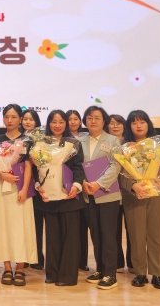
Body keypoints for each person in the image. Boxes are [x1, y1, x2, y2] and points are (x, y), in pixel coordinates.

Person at [120, 110, 160, 290]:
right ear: (129, 126)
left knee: (156, 234)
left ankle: (157, 273)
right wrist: (132, 185)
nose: (138, 126)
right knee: (136, 235)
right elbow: (118, 173)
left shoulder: (158, 145)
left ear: (148, 124)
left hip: (156, 194)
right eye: (134, 122)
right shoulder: (124, 147)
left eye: (142, 122)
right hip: (134, 196)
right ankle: (140, 273)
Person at [32, 110, 85, 286]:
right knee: (52, 237)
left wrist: (76, 186)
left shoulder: (74, 144)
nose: (57, 125)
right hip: (48, 197)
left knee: (70, 238)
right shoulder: (39, 145)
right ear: (49, 124)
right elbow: (36, 171)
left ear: (66, 124)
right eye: (54, 122)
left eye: (61, 122)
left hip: (69, 196)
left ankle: (67, 277)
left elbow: (79, 167)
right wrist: (38, 186)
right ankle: (52, 273)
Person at [0, 104, 37, 287]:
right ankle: (7, 267)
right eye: (6, 117)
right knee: (3, 225)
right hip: (1, 186)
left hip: (20, 188)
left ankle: (21, 268)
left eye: (14, 117)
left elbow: (29, 166)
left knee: (21, 226)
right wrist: (2, 175)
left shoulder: (27, 140)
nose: (9, 120)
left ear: (20, 119)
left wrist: (24, 189)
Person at [80, 106, 121, 290]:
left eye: (97, 118)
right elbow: (77, 165)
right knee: (95, 233)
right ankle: (100, 268)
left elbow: (116, 165)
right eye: (90, 117)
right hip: (87, 194)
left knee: (108, 234)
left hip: (107, 194)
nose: (93, 121)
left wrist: (99, 183)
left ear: (104, 121)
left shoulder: (112, 140)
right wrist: (83, 183)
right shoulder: (80, 140)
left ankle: (110, 274)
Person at [108, 113, 133, 274]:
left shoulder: (132, 145)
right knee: (114, 230)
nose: (115, 126)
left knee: (132, 230)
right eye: (112, 123)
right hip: (110, 191)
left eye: (119, 123)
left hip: (130, 192)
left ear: (124, 126)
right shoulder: (105, 144)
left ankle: (133, 262)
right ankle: (117, 262)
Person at [22, 109, 45, 270]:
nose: (28, 122)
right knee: (25, 223)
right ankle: (25, 256)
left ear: (36, 122)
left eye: (31, 119)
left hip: (39, 185)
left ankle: (38, 257)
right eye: (25, 119)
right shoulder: (19, 139)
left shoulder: (42, 140)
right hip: (22, 185)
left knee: (37, 222)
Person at [67, 108, 90, 272]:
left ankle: (82, 260)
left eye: (76, 119)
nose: (73, 122)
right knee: (72, 226)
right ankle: (71, 258)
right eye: (70, 119)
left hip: (86, 184)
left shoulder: (86, 137)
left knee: (83, 226)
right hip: (68, 184)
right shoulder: (60, 139)